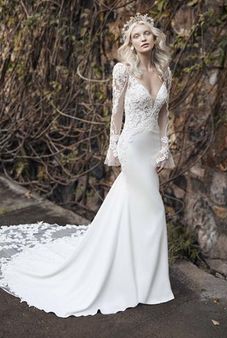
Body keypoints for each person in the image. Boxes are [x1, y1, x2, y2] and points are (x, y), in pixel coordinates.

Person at [0, 12, 175, 318]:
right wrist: (114, 148)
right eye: (136, 35)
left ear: (155, 37)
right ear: (130, 43)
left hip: (150, 148)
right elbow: (116, 113)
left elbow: (163, 114)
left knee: (130, 209)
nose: (143, 38)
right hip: (131, 146)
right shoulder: (123, 71)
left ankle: (133, 275)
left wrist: (164, 148)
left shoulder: (165, 71)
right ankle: (150, 285)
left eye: (147, 33)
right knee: (154, 210)